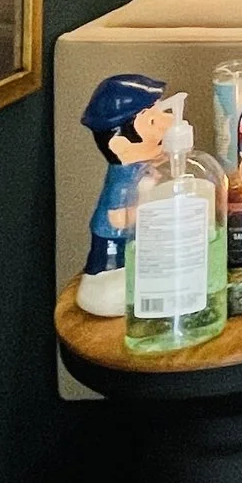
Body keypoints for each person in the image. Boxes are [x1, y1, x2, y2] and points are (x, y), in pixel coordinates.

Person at [76, 74, 180, 317]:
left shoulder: (144, 168)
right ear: (121, 146)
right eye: (153, 121)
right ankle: (99, 287)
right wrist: (150, 213)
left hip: (138, 247)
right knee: (113, 280)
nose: (169, 121)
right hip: (114, 248)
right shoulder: (122, 181)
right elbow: (117, 219)